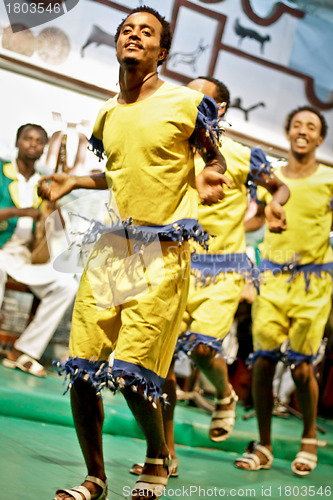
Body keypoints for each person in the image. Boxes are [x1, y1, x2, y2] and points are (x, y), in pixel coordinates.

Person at [38, 8, 230, 500]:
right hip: (115, 249)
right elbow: (121, 171)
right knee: (81, 367)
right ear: (118, 43)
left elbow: (214, 156)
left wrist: (210, 172)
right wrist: (73, 179)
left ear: (161, 52)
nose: (134, 35)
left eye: (147, 31)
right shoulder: (107, 112)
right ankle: (95, 478)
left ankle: (159, 457)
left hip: (164, 249)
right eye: (127, 28)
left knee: (130, 372)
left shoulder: (187, 103)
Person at [129, 76, 290, 478]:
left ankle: (225, 393)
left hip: (223, 270)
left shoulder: (240, 155)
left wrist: (271, 210)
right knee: (160, 364)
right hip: (173, 264)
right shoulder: (174, 148)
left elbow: (279, 187)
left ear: (218, 110)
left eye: (199, 97)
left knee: (203, 349)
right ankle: (165, 453)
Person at [234, 106, 333, 476]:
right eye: (297, 125)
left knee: (303, 366)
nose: (303, 131)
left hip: (314, 282)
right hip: (272, 278)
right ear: (288, 132)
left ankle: (309, 437)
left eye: (312, 126)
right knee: (262, 361)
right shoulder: (270, 180)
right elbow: (256, 220)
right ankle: (264, 444)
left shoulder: (329, 179)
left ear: (320, 138)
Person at [0, 124, 78, 377]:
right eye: (28, 139)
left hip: (26, 256)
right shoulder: (2, 172)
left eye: (38, 141)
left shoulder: (44, 182)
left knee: (67, 284)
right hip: (2, 250)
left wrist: (54, 203)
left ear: (44, 148)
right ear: (17, 142)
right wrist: (19, 212)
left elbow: (59, 228)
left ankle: (23, 351)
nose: (32, 144)